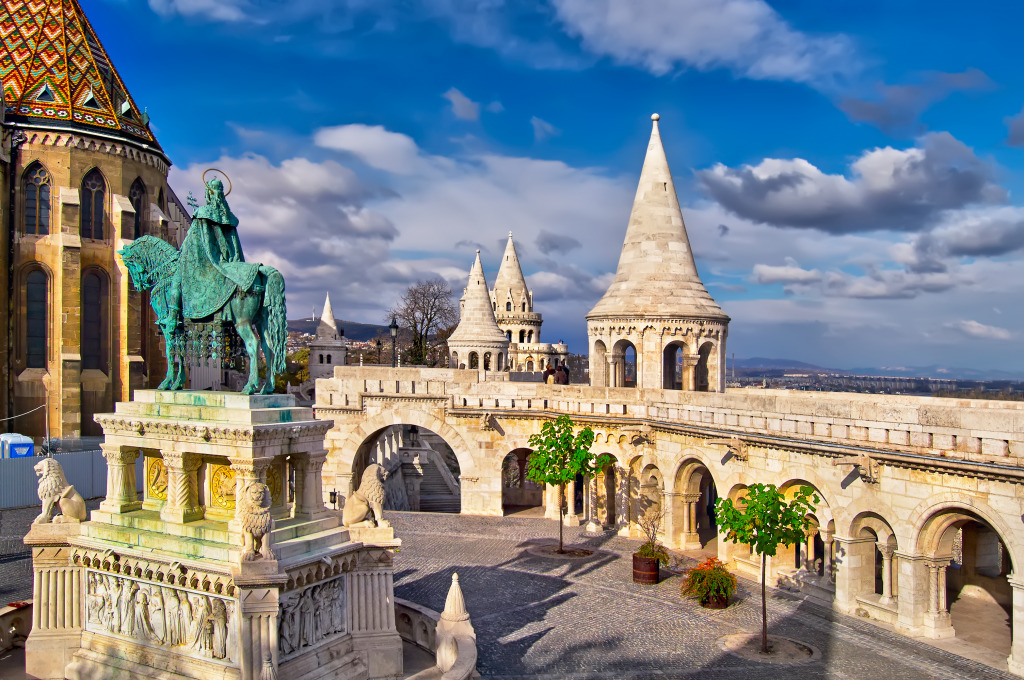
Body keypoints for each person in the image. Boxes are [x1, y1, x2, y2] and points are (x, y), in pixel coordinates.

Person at [164, 177, 260, 333]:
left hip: (209, 261)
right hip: (229, 262)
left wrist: (183, 253)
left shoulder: (203, 213)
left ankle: (172, 317)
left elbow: (193, 242)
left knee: (176, 280)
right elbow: (234, 244)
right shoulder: (229, 217)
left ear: (208, 194)